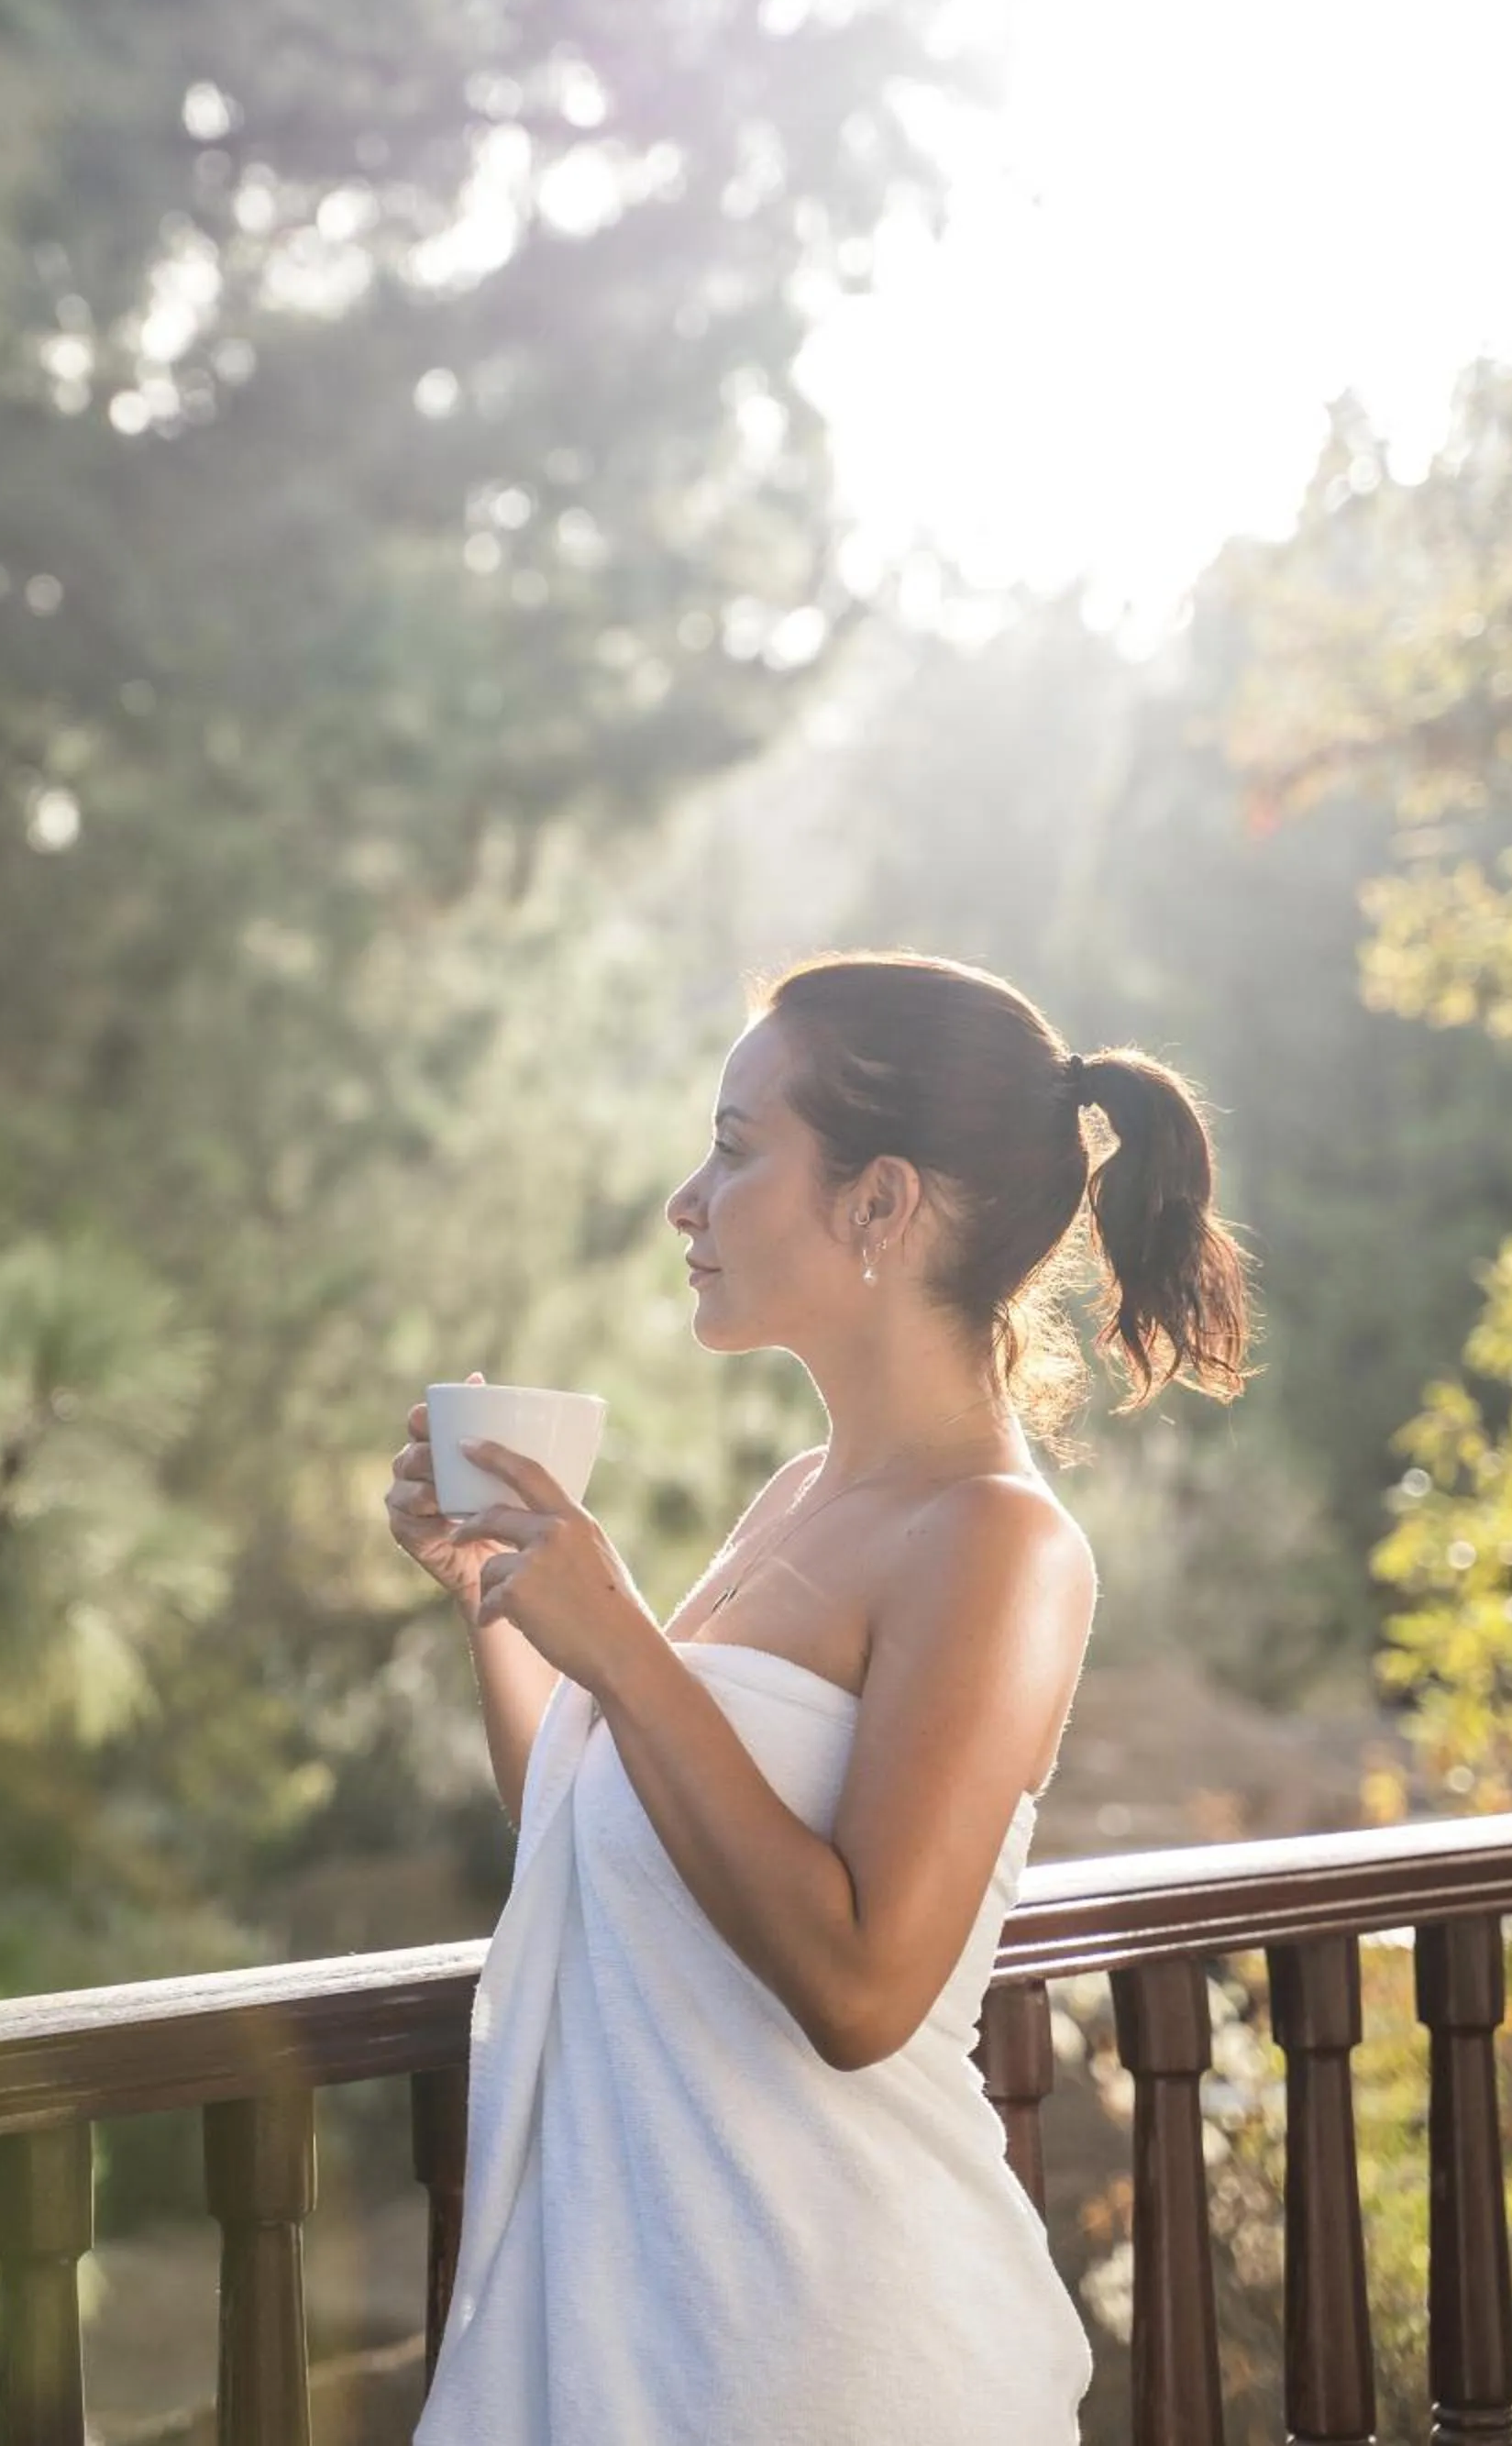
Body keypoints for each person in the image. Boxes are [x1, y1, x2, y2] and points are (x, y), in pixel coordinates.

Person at [387, 947, 1253, 2442]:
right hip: (647, 2328)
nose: (687, 1200)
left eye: (733, 1148)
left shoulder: (999, 1541)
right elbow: (605, 1829)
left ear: (879, 1200)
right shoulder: (797, 1496)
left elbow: (861, 1991)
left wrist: (628, 1651)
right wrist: (506, 1610)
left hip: (826, 2354)